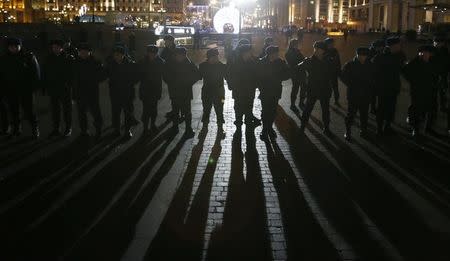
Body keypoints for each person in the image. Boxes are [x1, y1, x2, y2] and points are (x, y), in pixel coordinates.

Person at [0, 37, 40, 138]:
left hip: (25, 89)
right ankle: (17, 128)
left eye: (16, 46)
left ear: (20, 46)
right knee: (14, 111)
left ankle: (35, 128)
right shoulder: (4, 58)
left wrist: (33, 87)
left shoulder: (28, 57)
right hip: (10, 89)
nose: (13, 48)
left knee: (29, 110)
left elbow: (36, 73)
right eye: (11, 47)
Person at [163, 47, 201, 137]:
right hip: (175, 91)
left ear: (184, 55)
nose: (180, 57)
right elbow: (165, 75)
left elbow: (197, 75)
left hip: (185, 91)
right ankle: (175, 127)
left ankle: (188, 129)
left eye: (182, 55)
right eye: (178, 55)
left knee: (187, 111)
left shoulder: (189, 63)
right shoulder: (170, 63)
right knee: (175, 111)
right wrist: (171, 83)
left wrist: (188, 82)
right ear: (175, 55)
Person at [403, 45, 438, 138]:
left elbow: (435, 74)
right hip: (417, 90)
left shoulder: (432, 62)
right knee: (417, 109)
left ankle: (428, 127)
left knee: (429, 109)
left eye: (427, 53)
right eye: (423, 53)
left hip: (430, 90)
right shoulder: (415, 62)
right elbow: (405, 71)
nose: (425, 54)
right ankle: (416, 129)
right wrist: (413, 80)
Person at [373, 36, 406, 136]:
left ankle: (387, 126)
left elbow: (403, 69)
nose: (400, 47)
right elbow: (374, 72)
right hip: (383, 87)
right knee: (382, 108)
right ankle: (379, 129)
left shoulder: (400, 55)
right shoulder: (380, 57)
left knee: (391, 108)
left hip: (394, 86)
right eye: (398, 45)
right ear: (392, 46)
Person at [299, 41, 334, 135]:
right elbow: (298, 70)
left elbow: (333, 74)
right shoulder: (308, 60)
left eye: (318, 49)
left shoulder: (329, 61)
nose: (316, 50)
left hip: (324, 89)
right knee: (308, 109)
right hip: (312, 89)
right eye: (315, 48)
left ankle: (326, 128)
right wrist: (304, 83)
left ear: (323, 51)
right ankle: (302, 126)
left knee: (325, 110)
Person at [42, 39, 74, 137]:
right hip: (53, 88)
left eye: (57, 47)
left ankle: (68, 128)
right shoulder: (48, 58)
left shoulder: (68, 58)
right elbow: (45, 73)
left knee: (67, 110)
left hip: (65, 88)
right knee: (55, 110)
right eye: (53, 47)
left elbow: (72, 74)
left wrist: (69, 85)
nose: (55, 49)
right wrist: (44, 86)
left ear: (61, 48)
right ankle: (56, 128)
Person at [341, 47, 374, 141]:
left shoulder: (370, 64)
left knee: (364, 115)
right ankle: (348, 131)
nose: (363, 57)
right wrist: (351, 84)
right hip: (353, 94)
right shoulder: (350, 64)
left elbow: (373, 77)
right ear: (357, 55)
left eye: (365, 55)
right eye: (361, 55)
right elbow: (343, 76)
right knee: (351, 114)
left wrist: (370, 86)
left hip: (366, 94)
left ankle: (363, 131)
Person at [72, 43, 105, 138]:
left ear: (89, 52)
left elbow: (102, 76)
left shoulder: (95, 62)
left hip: (92, 92)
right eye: (81, 51)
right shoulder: (76, 62)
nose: (83, 53)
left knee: (96, 112)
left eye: (85, 51)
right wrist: (74, 94)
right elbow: (74, 79)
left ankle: (98, 130)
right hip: (79, 92)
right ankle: (84, 130)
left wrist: (93, 79)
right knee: (81, 113)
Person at [105, 46, 139, 138]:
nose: (117, 56)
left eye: (119, 54)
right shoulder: (110, 64)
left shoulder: (130, 64)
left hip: (127, 93)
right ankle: (116, 130)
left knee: (128, 113)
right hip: (115, 93)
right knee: (115, 113)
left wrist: (128, 82)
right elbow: (105, 75)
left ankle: (127, 130)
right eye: (115, 54)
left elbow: (136, 77)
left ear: (123, 55)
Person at [258, 46, 290, 140]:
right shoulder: (262, 62)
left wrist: (279, 77)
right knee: (265, 111)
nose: (277, 55)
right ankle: (264, 129)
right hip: (265, 91)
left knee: (272, 111)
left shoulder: (281, 62)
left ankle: (270, 128)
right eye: (276, 53)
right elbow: (258, 77)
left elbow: (287, 74)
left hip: (275, 91)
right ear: (270, 54)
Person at [228, 44, 260, 131]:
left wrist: (255, 85)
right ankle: (238, 123)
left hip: (250, 91)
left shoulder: (253, 62)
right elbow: (229, 75)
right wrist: (232, 86)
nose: (251, 53)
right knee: (238, 107)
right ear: (244, 53)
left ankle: (248, 122)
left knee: (249, 107)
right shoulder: (235, 63)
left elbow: (256, 76)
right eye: (250, 52)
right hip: (239, 91)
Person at [138, 45, 165, 135]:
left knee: (153, 109)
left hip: (155, 89)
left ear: (156, 53)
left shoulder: (161, 62)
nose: (152, 55)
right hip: (145, 89)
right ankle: (145, 127)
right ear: (147, 53)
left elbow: (165, 75)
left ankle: (152, 124)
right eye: (150, 53)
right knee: (146, 109)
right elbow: (137, 75)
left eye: (154, 53)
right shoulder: (142, 62)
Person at [199, 48, 227, 134]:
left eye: (216, 56)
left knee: (220, 109)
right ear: (209, 57)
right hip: (206, 92)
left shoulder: (222, 66)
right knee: (206, 109)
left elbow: (227, 76)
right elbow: (199, 76)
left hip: (220, 93)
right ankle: (205, 126)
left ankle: (220, 127)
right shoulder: (203, 66)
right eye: (213, 57)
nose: (216, 58)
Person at [432, 36, 450, 135]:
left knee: (441, 92)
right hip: (439, 76)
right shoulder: (441, 51)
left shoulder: (443, 52)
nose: (435, 44)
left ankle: (442, 105)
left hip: (441, 75)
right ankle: (442, 105)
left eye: (437, 42)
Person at [285, 38, 306, 112]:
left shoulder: (297, 51)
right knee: (295, 89)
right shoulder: (288, 53)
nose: (297, 45)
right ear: (292, 45)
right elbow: (292, 64)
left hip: (301, 73)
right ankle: (292, 104)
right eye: (296, 44)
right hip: (295, 73)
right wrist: (302, 63)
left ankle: (301, 102)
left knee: (303, 88)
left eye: (297, 44)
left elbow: (302, 59)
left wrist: (304, 61)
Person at [160, 35, 178, 119]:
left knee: (177, 95)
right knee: (172, 95)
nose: (165, 43)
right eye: (165, 41)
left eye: (166, 41)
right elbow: (162, 61)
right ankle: (175, 110)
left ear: (171, 41)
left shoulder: (177, 50)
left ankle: (177, 111)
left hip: (177, 76)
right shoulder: (165, 51)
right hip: (169, 77)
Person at [368, 39, 385, 114]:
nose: (382, 49)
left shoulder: (376, 52)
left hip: (378, 76)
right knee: (373, 94)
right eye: (381, 47)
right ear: (377, 47)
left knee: (375, 94)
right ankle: (372, 108)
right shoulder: (371, 53)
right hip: (373, 77)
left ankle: (375, 108)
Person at [324, 37, 342, 106]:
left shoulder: (335, 51)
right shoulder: (324, 51)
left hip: (334, 73)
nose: (331, 45)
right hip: (326, 73)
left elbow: (338, 62)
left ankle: (336, 100)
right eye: (330, 44)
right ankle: (326, 100)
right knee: (327, 88)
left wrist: (339, 71)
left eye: (332, 44)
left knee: (335, 88)